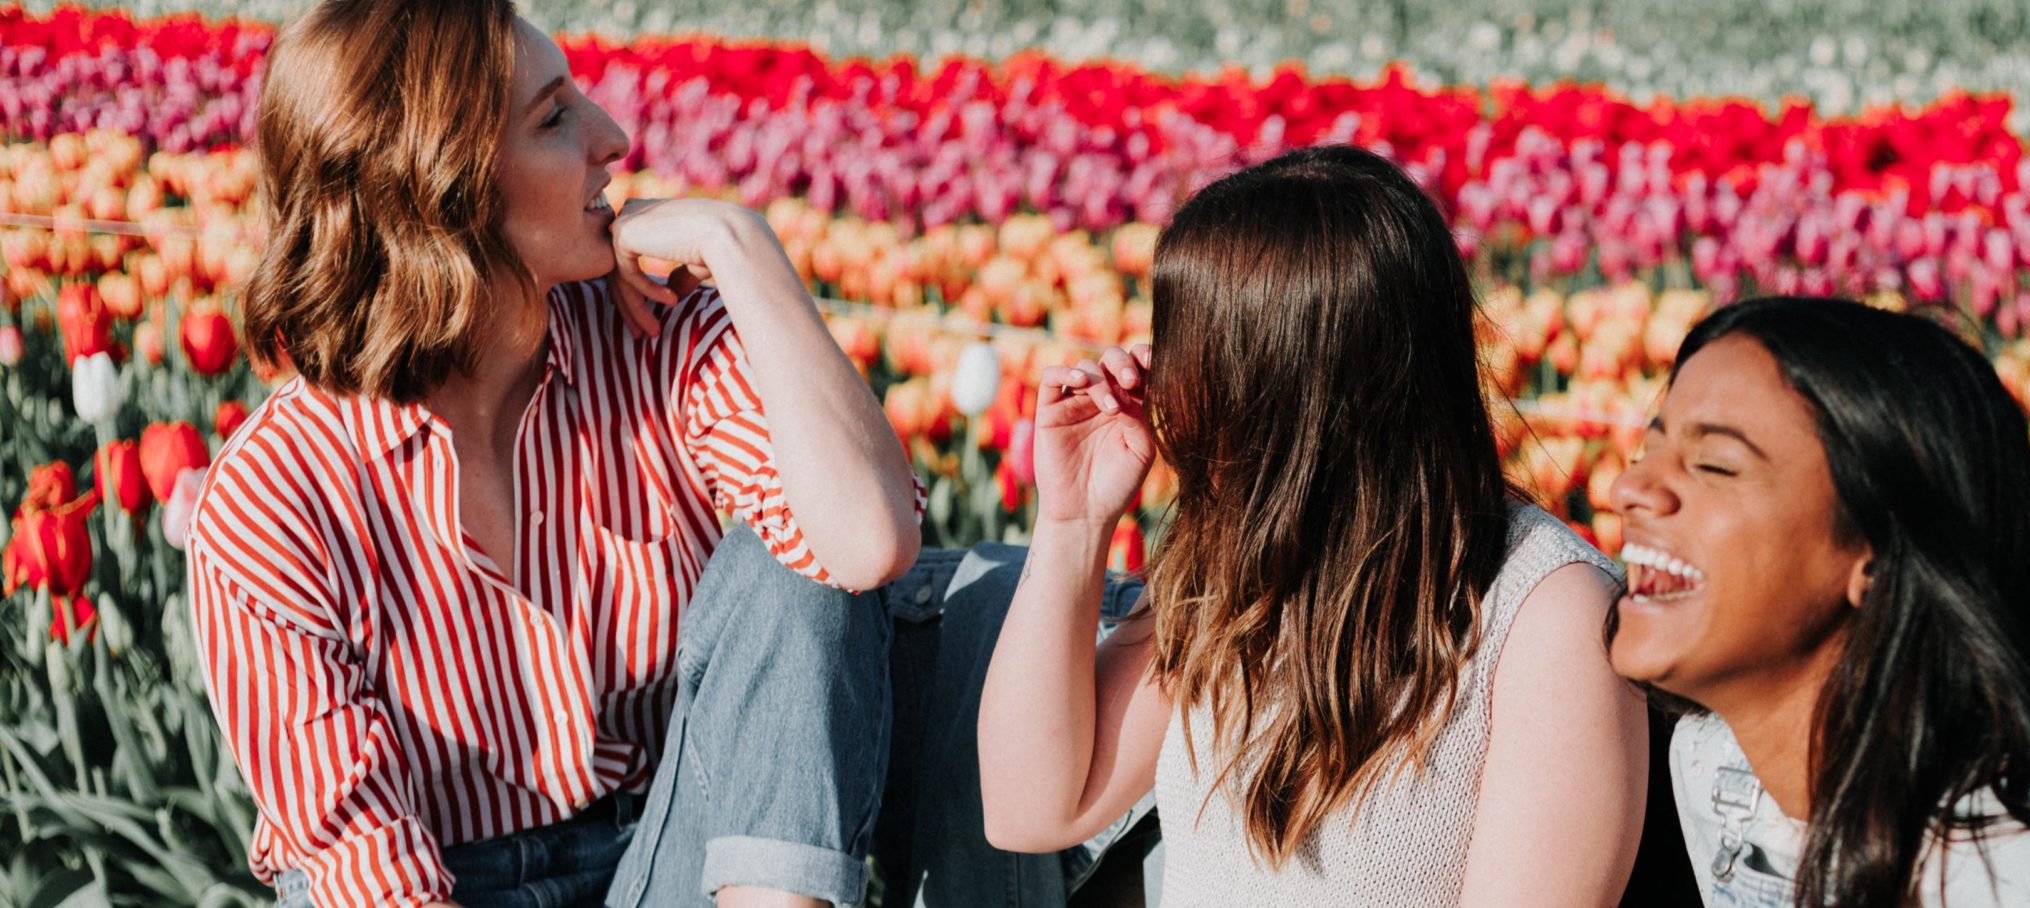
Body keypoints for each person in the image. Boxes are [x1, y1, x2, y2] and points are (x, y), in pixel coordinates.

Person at [185, 2, 924, 905]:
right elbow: (364, 869)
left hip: (672, 855)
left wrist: (743, 248)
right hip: (440, 881)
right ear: (439, 193)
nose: (613, 139)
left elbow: (864, 542)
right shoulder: (273, 500)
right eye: (554, 118)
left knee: (792, 566)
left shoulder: (656, 336)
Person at [976, 145, 1649, 907]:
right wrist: (1073, 522)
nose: (1158, 377)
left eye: (1195, 353)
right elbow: (1030, 808)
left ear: (1287, 390)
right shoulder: (1233, 566)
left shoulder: (1549, 618)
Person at [1604, 297, 2030, 907]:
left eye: (1714, 465)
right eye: (1648, 450)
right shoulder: (1720, 769)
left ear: (1877, 555)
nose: (1629, 487)